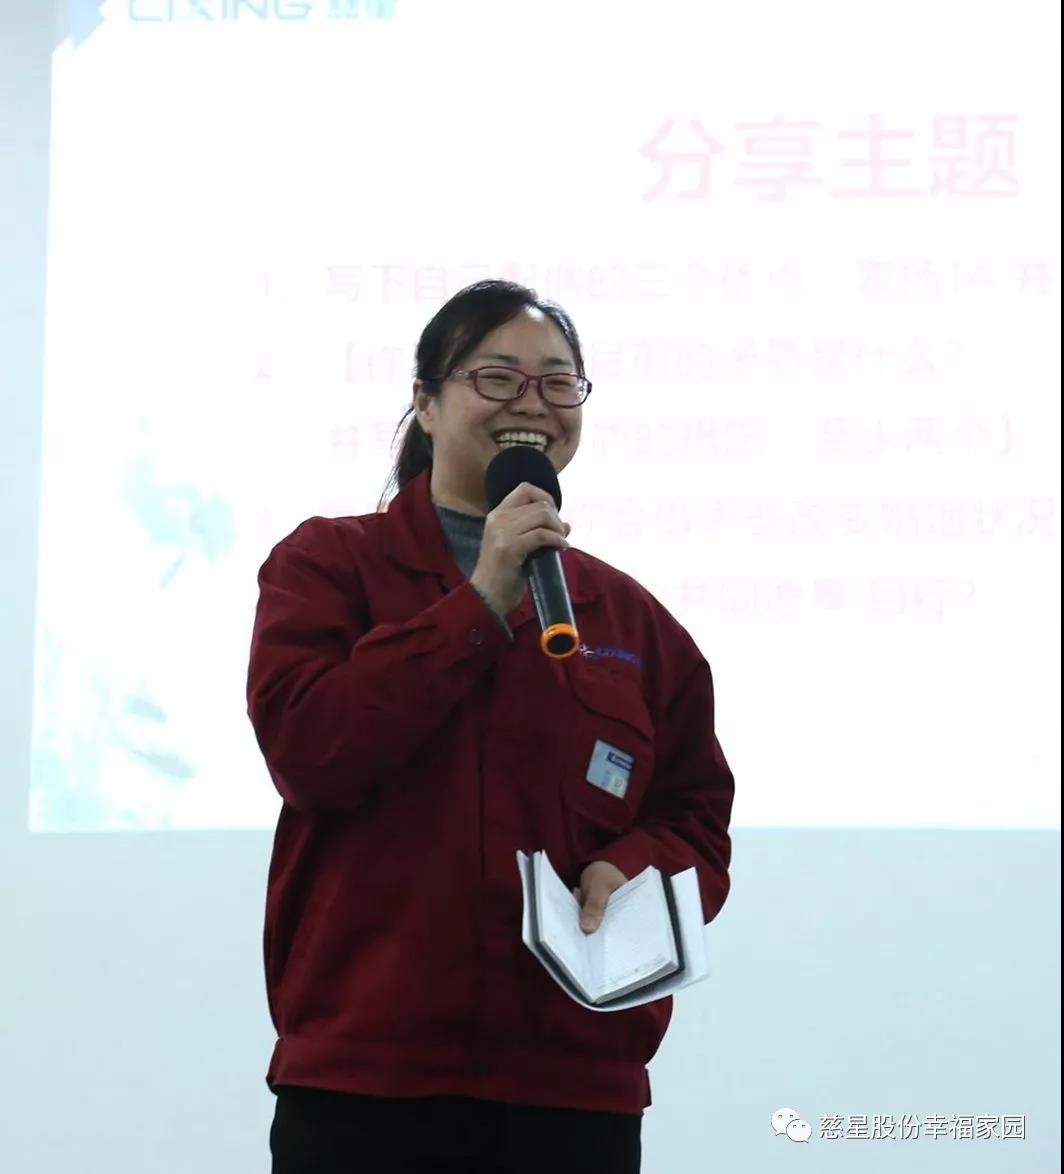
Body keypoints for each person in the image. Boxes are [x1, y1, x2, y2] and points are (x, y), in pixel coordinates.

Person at [246, 280, 735, 1173]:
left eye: (558, 383)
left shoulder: (631, 621)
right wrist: (479, 602)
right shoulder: (329, 565)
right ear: (426, 402)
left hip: (572, 1086)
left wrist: (631, 867)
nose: (532, 406)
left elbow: (695, 816)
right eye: (499, 378)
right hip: (369, 1080)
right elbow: (311, 752)